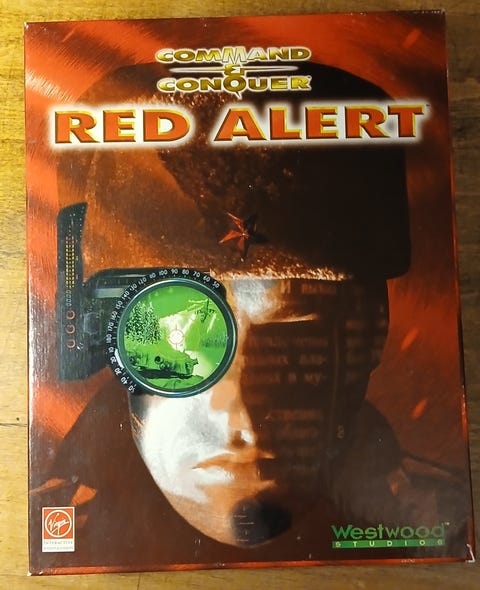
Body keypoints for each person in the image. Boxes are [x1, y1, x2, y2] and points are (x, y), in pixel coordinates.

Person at [29, 60, 471, 572]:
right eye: (183, 338)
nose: (239, 419)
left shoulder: (439, 522)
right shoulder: (44, 528)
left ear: (372, 336)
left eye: (290, 341)